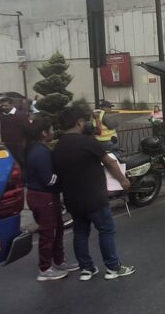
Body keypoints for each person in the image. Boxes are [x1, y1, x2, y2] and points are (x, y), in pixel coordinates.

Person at [52, 105, 133, 281]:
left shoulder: (59, 146)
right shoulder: (87, 142)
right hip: (94, 197)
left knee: (80, 233)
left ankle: (86, 269)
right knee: (106, 230)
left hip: (72, 199)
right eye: (85, 120)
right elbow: (110, 163)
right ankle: (113, 268)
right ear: (79, 122)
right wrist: (123, 180)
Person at [24, 115, 76, 281]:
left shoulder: (38, 148)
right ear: (44, 133)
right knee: (49, 232)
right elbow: (49, 179)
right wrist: (64, 180)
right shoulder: (39, 152)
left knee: (58, 229)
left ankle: (59, 261)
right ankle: (45, 269)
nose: (53, 132)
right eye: (51, 129)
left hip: (46, 195)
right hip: (42, 196)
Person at [0, 96, 31, 165]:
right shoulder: (2, 115)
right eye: (2, 106)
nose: (3, 107)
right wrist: (3, 141)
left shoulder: (21, 115)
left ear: (12, 105)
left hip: (19, 145)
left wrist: (25, 143)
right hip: (7, 144)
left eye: (5, 105)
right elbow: (2, 129)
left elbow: (27, 129)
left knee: (21, 162)